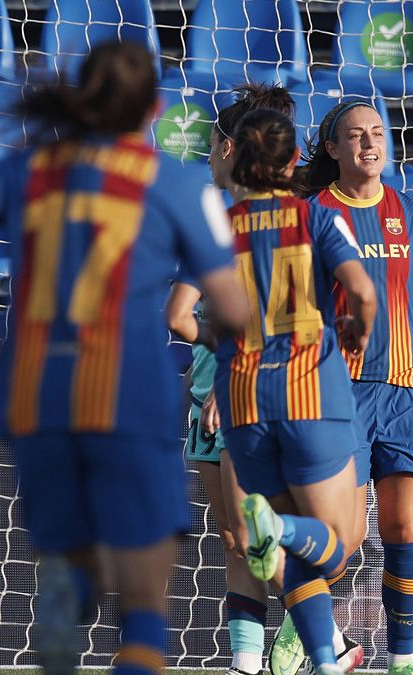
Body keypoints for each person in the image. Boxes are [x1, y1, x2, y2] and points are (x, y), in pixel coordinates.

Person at [0, 41, 249, 675]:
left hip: (35, 391)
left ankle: (70, 592)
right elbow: (231, 308)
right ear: (154, 107)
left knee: (73, 556)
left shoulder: (30, 168)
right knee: (146, 606)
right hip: (128, 392)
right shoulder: (172, 181)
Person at [281, 99, 413, 675]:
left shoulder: (412, 209)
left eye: (377, 132)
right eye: (354, 136)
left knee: (405, 529)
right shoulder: (310, 215)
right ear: (333, 149)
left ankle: (401, 661)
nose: (369, 143)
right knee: (343, 539)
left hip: (408, 390)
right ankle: (301, 621)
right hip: (338, 395)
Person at [213, 106, 378, 675]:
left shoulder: (219, 226)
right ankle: (279, 528)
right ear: (290, 162)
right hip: (310, 391)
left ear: (236, 156)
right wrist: (355, 337)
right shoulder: (316, 219)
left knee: (271, 553)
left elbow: (179, 315)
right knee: (331, 541)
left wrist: (223, 347)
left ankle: (324, 663)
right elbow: (363, 294)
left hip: (238, 397)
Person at [164, 81, 296, 675]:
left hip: (249, 396)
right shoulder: (223, 219)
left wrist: (228, 378)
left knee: (254, 533)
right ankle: (246, 663)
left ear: (229, 148)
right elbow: (177, 315)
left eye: (215, 144)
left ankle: (320, 637)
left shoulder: (252, 220)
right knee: (236, 537)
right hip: (215, 395)